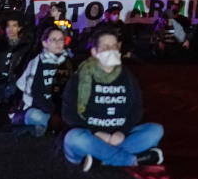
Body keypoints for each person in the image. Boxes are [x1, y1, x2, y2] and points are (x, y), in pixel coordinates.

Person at [61, 26, 164, 171]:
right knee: (74, 138)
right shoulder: (79, 78)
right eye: (106, 47)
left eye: (114, 46)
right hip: (91, 136)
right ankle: (131, 160)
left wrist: (122, 131)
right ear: (94, 52)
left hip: (118, 137)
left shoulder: (128, 77)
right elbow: (69, 114)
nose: (111, 50)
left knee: (155, 131)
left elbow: (136, 109)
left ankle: (101, 159)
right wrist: (97, 133)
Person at [16, 24, 73, 136]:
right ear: (45, 43)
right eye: (53, 39)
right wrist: (52, 111)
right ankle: (60, 127)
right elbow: (36, 93)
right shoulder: (37, 63)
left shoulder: (69, 62)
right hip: (42, 108)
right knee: (32, 115)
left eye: (61, 39)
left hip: (63, 108)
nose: (58, 43)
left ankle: (49, 127)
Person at [0, 14, 33, 126]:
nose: (11, 29)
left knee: (9, 99)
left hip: (14, 81)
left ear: (19, 28)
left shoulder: (25, 46)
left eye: (14, 26)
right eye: (8, 26)